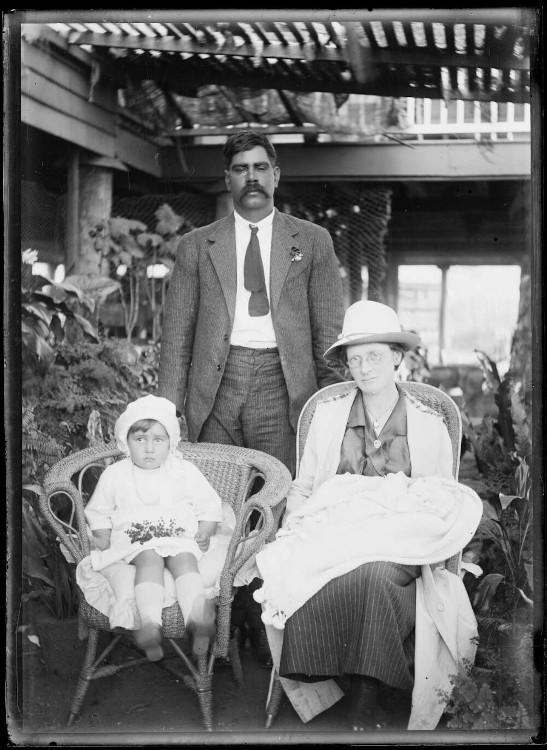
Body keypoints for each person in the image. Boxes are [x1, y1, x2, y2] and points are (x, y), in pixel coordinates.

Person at [158, 130, 345, 664]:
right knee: (219, 508)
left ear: (276, 175)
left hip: (283, 386)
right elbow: (176, 337)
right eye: (241, 168)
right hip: (213, 387)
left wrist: (328, 413)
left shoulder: (312, 241)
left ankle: (267, 625)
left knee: (275, 509)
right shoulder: (198, 245)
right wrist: (168, 416)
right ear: (228, 179)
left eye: (262, 167)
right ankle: (223, 629)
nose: (253, 178)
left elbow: (329, 336)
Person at [253, 301, 482, 731]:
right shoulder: (327, 415)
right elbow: (304, 487)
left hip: (401, 538)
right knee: (314, 570)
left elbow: (440, 496)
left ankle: (363, 697)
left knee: (376, 574)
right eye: (354, 359)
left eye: (374, 355)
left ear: (398, 357)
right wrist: (292, 525)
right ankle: (351, 684)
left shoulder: (429, 423)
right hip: (335, 532)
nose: (363, 367)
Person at [77, 395, 235, 661]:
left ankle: (197, 623)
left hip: (178, 535)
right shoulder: (116, 474)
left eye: (158, 440)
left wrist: (206, 530)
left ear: (171, 443)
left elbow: (209, 505)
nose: (149, 449)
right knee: (148, 561)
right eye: (140, 440)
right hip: (137, 539)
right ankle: (150, 625)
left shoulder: (183, 470)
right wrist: (102, 532)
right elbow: (99, 510)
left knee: (185, 561)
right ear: (125, 442)